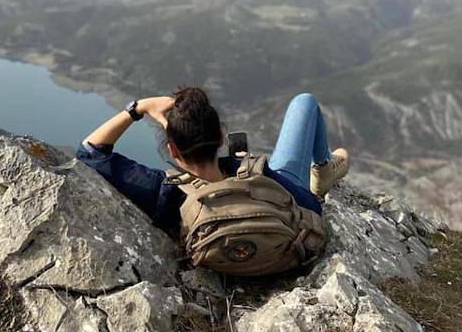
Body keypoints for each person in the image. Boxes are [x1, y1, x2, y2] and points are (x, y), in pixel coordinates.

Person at [77, 87, 349, 240]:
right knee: (304, 102)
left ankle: (323, 168)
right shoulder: (257, 173)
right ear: (220, 138)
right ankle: (323, 169)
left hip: (218, 257)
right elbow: (312, 207)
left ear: (172, 150)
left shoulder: (165, 192)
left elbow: (90, 152)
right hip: (284, 242)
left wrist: (138, 108)